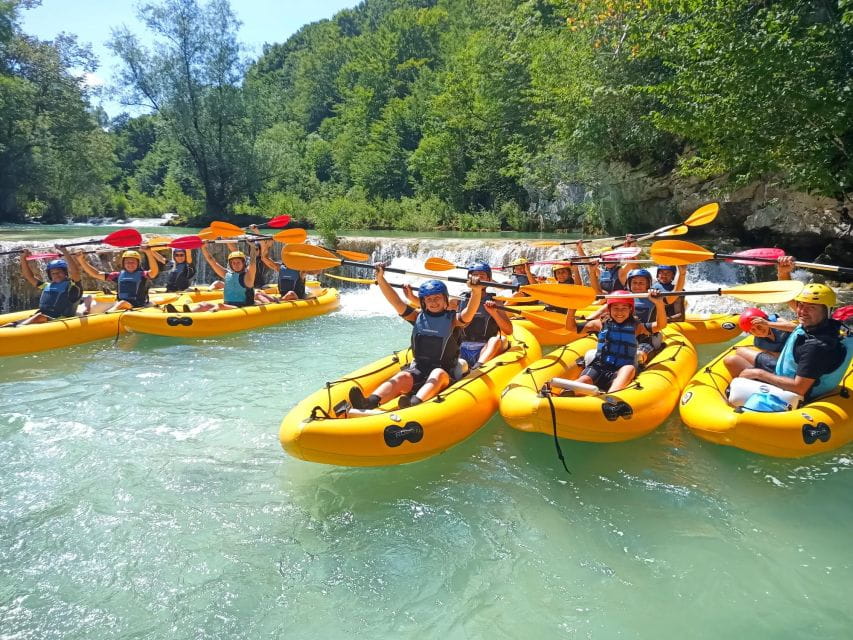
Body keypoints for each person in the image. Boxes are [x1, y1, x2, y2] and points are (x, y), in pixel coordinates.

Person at [349, 270, 485, 410]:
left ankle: (414, 404)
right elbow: (395, 301)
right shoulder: (417, 317)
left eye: (437, 297)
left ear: (445, 300)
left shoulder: (453, 320)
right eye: (429, 299)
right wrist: (380, 278)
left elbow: (469, 313)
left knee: (437, 374)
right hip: (419, 370)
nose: (433, 302)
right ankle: (369, 402)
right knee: (402, 376)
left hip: (445, 374)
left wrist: (476, 291)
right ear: (423, 302)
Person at [729, 283, 851, 410]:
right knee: (734, 358)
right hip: (787, 372)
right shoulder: (817, 325)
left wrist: (758, 374)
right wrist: (783, 273)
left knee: (733, 366)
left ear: (826, 310)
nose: (802, 311)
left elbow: (799, 388)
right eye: (801, 305)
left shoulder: (816, 347)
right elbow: (791, 304)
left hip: (793, 392)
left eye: (812, 307)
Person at [564, 289, 667, 392]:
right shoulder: (599, 324)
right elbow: (571, 327)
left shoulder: (636, 326)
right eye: (615, 308)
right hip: (599, 366)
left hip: (621, 369)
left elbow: (660, 325)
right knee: (584, 380)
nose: (619, 312)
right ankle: (567, 394)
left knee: (629, 369)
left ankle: (611, 396)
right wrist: (572, 307)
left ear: (630, 310)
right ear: (609, 309)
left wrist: (659, 304)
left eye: (624, 308)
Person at [2, 247, 83, 327]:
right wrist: (23, 258)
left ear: (65, 273)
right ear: (50, 275)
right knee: (11, 323)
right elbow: (29, 276)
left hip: (60, 320)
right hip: (44, 317)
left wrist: (65, 252)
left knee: (40, 316)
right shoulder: (46, 286)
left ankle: (17, 329)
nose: (56, 275)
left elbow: (75, 272)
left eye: (59, 272)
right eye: (53, 273)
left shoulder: (72, 286)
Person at [457, 261, 513, 370]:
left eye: (482, 275)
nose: (478, 278)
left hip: (485, 348)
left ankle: (477, 369)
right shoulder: (459, 300)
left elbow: (509, 331)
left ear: (488, 280)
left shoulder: (496, 302)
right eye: (475, 275)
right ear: (469, 278)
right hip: (462, 346)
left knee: (496, 340)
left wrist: (494, 313)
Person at [75, 247, 159, 311]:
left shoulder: (143, 274)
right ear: (123, 264)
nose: (130, 264)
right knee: (91, 300)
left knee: (122, 303)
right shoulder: (117, 275)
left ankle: (108, 315)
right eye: (127, 262)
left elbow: (154, 272)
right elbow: (95, 274)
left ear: (138, 263)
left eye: (133, 262)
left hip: (137, 306)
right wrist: (81, 260)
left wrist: (148, 253)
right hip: (120, 304)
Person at [723, 307, 796, 378]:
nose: (759, 331)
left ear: (764, 320)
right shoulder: (758, 343)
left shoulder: (777, 321)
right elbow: (773, 356)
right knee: (735, 355)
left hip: (796, 360)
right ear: (751, 333)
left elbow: (797, 328)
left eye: (759, 326)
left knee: (740, 351)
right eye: (753, 330)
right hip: (781, 363)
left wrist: (768, 323)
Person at [191, 244, 259, 311]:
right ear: (231, 264)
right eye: (233, 263)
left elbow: (253, 262)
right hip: (227, 306)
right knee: (203, 305)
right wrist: (203, 247)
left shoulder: (248, 276)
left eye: (238, 262)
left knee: (220, 306)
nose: (236, 265)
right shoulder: (226, 274)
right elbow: (211, 261)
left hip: (243, 308)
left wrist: (252, 246)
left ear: (243, 263)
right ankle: (185, 315)